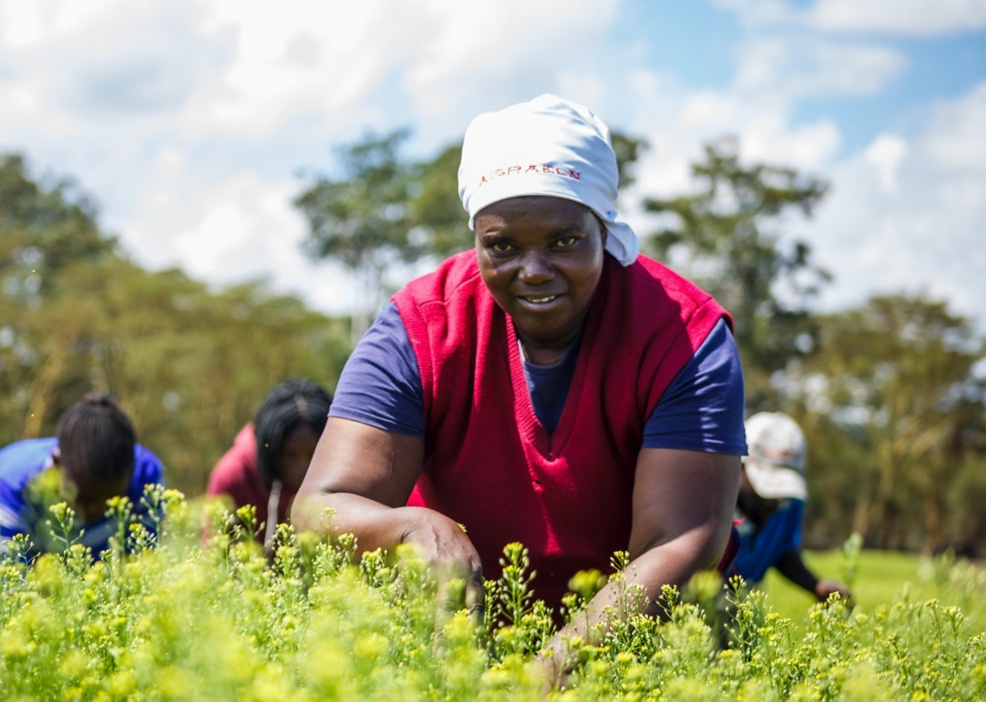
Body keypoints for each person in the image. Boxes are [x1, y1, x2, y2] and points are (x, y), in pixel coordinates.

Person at [292, 94, 746, 676]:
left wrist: (551, 672)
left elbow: (679, 542)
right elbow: (320, 506)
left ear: (601, 227)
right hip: (458, 637)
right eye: (502, 246)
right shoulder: (421, 326)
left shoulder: (685, 334)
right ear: (476, 236)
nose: (533, 270)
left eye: (564, 241)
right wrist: (410, 526)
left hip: (640, 644)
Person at [0, 392, 165, 561]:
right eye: (85, 499)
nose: (98, 510)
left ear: (132, 470)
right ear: (57, 464)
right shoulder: (9, 486)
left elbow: (138, 567)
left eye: (113, 500)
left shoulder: (147, 475)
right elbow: (4, 590)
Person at [730, 411, 852, 602]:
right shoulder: (714, 506)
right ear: (740, 466)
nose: (774, 500)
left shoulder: (788, 504)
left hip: (740, 610)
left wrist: (815, 586)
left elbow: (781, 550)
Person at [206, 379, 331, 550]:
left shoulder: (338, 474)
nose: (302, 466)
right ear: (272, 448)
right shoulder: (233, 475)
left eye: (313, 454)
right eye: (290, 455)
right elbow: (213, 554)